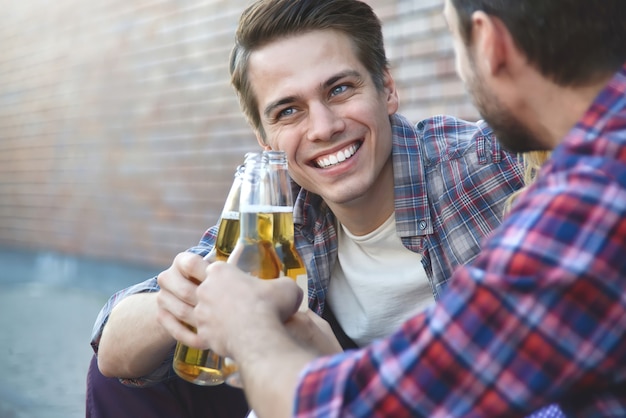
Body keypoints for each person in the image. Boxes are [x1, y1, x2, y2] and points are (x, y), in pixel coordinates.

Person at [173, 0, 626, 416]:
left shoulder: (584, 195)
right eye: (288, 111)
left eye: (455, 44)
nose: (323, 128)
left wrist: (251, 333)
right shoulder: (281, 205)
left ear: (488, 42)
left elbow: (352, 407)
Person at [87, 0, 534, 416]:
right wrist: (180, 303)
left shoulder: (493, 166)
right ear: (265, 140)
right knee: (141, 375)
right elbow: (112, 349)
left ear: (387, 88)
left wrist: (329, 366)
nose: (323, 127)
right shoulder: (281, 215)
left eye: (339, 89)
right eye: (288, 111)